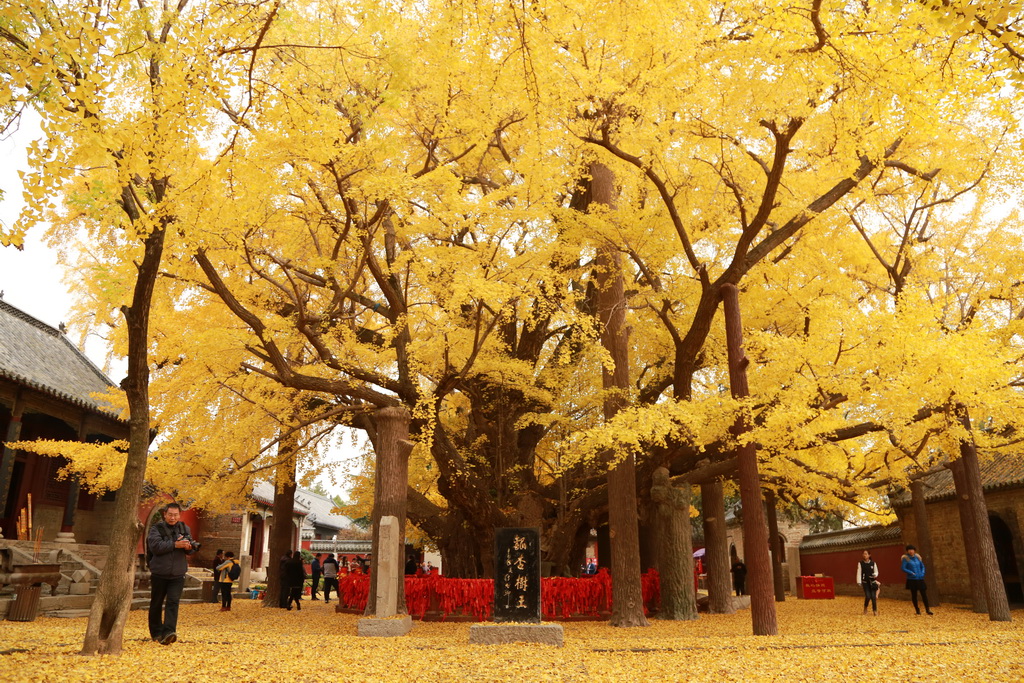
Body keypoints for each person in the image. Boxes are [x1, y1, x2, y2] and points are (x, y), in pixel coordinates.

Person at [147, 503, 196, 645]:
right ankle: (156, 632)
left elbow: (190, 551)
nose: (173, 517)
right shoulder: (156, 529)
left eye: (175, 515)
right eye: (170, 514)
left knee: (173, 602)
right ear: (165, 514)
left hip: (178, 574)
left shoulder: (184, 528)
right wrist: (175, 544)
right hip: (159, 572)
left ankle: (169, 632)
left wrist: (189, 547)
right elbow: (155, 547)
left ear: (179, 515)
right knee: (156, 603)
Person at [901, 545, 933, 615]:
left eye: (912, 549)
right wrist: (911, 572)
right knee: (914, 595)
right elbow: (903, 568)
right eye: (909, 550)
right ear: (907, 551)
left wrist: (922, 573)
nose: (911, 551)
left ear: (914, 550)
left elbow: (922, 566)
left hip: (920, 578)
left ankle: (927, 609)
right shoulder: (906, 558)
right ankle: (917, 610)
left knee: (924, 594)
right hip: (912, 579)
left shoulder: (918, 557)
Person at [857, 549, 880, 616]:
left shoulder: (873, 563)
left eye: (866, 554)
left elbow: (876, 571)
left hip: (872, 581)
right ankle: (865, 607)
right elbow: (859, 573)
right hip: (865, 582)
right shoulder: (860, 563)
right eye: (864, 554)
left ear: (869, 555)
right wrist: (859, 581)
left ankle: (875, 610)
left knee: (873, 596)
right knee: (868, 596)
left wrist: (875, 575)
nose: (865, 555)